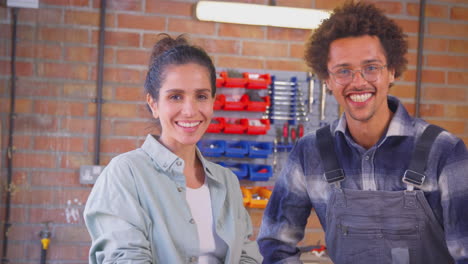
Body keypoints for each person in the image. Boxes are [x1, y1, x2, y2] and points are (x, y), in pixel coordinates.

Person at [258, 2, 468, 264]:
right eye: (343, 71)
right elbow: (276, 242)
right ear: (327, 79)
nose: (358, 82)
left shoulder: (444, 151)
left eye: (371, 67)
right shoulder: (310, 152)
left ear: (391, 71)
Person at [84, 34, 262, 264]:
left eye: (201, 96)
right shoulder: (126, 174)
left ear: (213, 102)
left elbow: (247, 256)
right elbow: (126, 258)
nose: (190, 110)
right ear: (154, 104)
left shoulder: (227, 182)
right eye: (176, 96)